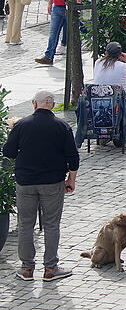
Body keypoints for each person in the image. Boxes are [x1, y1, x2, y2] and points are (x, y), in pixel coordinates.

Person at [3, 90, 79, 282]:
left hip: (26, 183)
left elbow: (9, 152)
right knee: (51, 224)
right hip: (52, 183)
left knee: (25, 225)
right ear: (52, 105)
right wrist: (71, 179)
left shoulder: (22, 125)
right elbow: (73, 157)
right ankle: (50, 268)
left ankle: (27, 268)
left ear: (34, 104)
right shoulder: (62, 126)